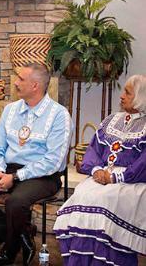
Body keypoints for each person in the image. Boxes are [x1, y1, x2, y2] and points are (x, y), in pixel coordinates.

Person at [0, 63, 72, 266]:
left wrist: (16, 178)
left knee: (15, 202)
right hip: (9, 169)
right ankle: (22, 235)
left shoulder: (59, 115)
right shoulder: (10, 110)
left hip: (43, 175)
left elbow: (53, 161)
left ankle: (9, 250)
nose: (15, 82)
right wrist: (0, 172)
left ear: (35, 85)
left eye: (20, 78)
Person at [54, 75, 146, 266]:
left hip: (132, 182)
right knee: (82, 193)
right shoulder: (112, 120)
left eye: (127, 93)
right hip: (103, 176)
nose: (121, 96)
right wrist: (96, 170)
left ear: (141, 97)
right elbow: (94, 149)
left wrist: (115, 176)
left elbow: (142, 164)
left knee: (104, 200)